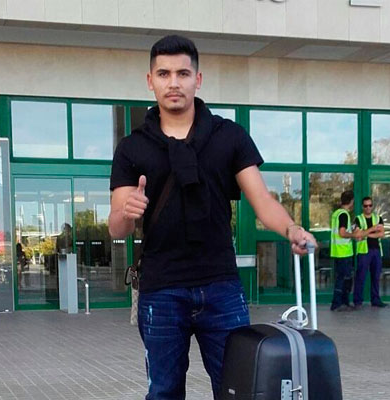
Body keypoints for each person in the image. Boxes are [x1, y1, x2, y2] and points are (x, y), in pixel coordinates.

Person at [108, 35, 316, 400]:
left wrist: (292, 229)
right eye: (164, 73)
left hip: (221, 287)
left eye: (183, 73)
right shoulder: (133, 147)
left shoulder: (228, 136)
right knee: (164, 390)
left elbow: (262, 200)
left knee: (238, 389)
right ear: (150, 80)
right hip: (161, 290)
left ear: (197, 80)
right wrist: (128, 213)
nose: (174, 82)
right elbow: (116, 227)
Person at [329, 190, 363, 312]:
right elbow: (342, 233)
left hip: (337, 251)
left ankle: (341, 302)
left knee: (341, 277)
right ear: (351, 201)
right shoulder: (344, 214)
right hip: (343, 252)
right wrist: (354, 235)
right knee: (344, 278)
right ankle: (339, 303)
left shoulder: (336, 213)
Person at [353, 196, 389, 309]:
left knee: (376, 276)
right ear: (362, 207)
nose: (368, 208)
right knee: (360, 277)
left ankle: (376, 300)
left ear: (372, 206)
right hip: (364, 251)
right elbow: (357, 235)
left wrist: (366, 233)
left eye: (370, 205)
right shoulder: (358, 219)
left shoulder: (378, 218)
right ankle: (357, 301)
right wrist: (373, 229)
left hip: (376, 250)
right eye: (365, 206)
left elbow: (382, 234)